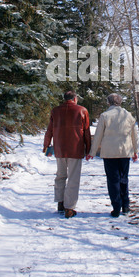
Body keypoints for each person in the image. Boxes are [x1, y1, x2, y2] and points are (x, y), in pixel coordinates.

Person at [88, 94, 139, 218]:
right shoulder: (128, 115)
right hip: (125, 151)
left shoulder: (105, 116)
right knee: (123, 178)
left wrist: (92, 152)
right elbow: (134, 135)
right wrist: (135, 151)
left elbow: (98, 135)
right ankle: (126, 205)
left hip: (109, 153)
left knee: (112, 180)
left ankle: (116, 207)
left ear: (108, 102)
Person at [43, 90, 91, 218]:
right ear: (75, 98)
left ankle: (60, 203)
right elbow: (86, 132)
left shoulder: (55, 111)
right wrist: (89, 149)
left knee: (60, 176)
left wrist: (46, 146)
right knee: (73, 178)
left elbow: (49, 130)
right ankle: (69, 208)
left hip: (59, 149)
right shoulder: (82, 110)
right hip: (75, 149)